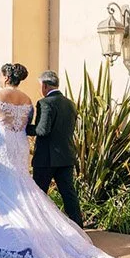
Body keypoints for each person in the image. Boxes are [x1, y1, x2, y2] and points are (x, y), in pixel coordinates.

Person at [0, 63, 113, 258]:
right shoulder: (29, 101)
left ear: (5, 77)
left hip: (0, 143)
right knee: (19, 187)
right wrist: (16, 130)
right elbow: (26, 123)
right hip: (19, 145)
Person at [31, 70, 83, 226]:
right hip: (66, 156)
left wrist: (21, 128)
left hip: (46, 159)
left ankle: (38, 228)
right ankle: (79, 228)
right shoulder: (70, 103)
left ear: (45, 85)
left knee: (39, 195)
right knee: (69, 195)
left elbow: (42, 130)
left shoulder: (45, 103)